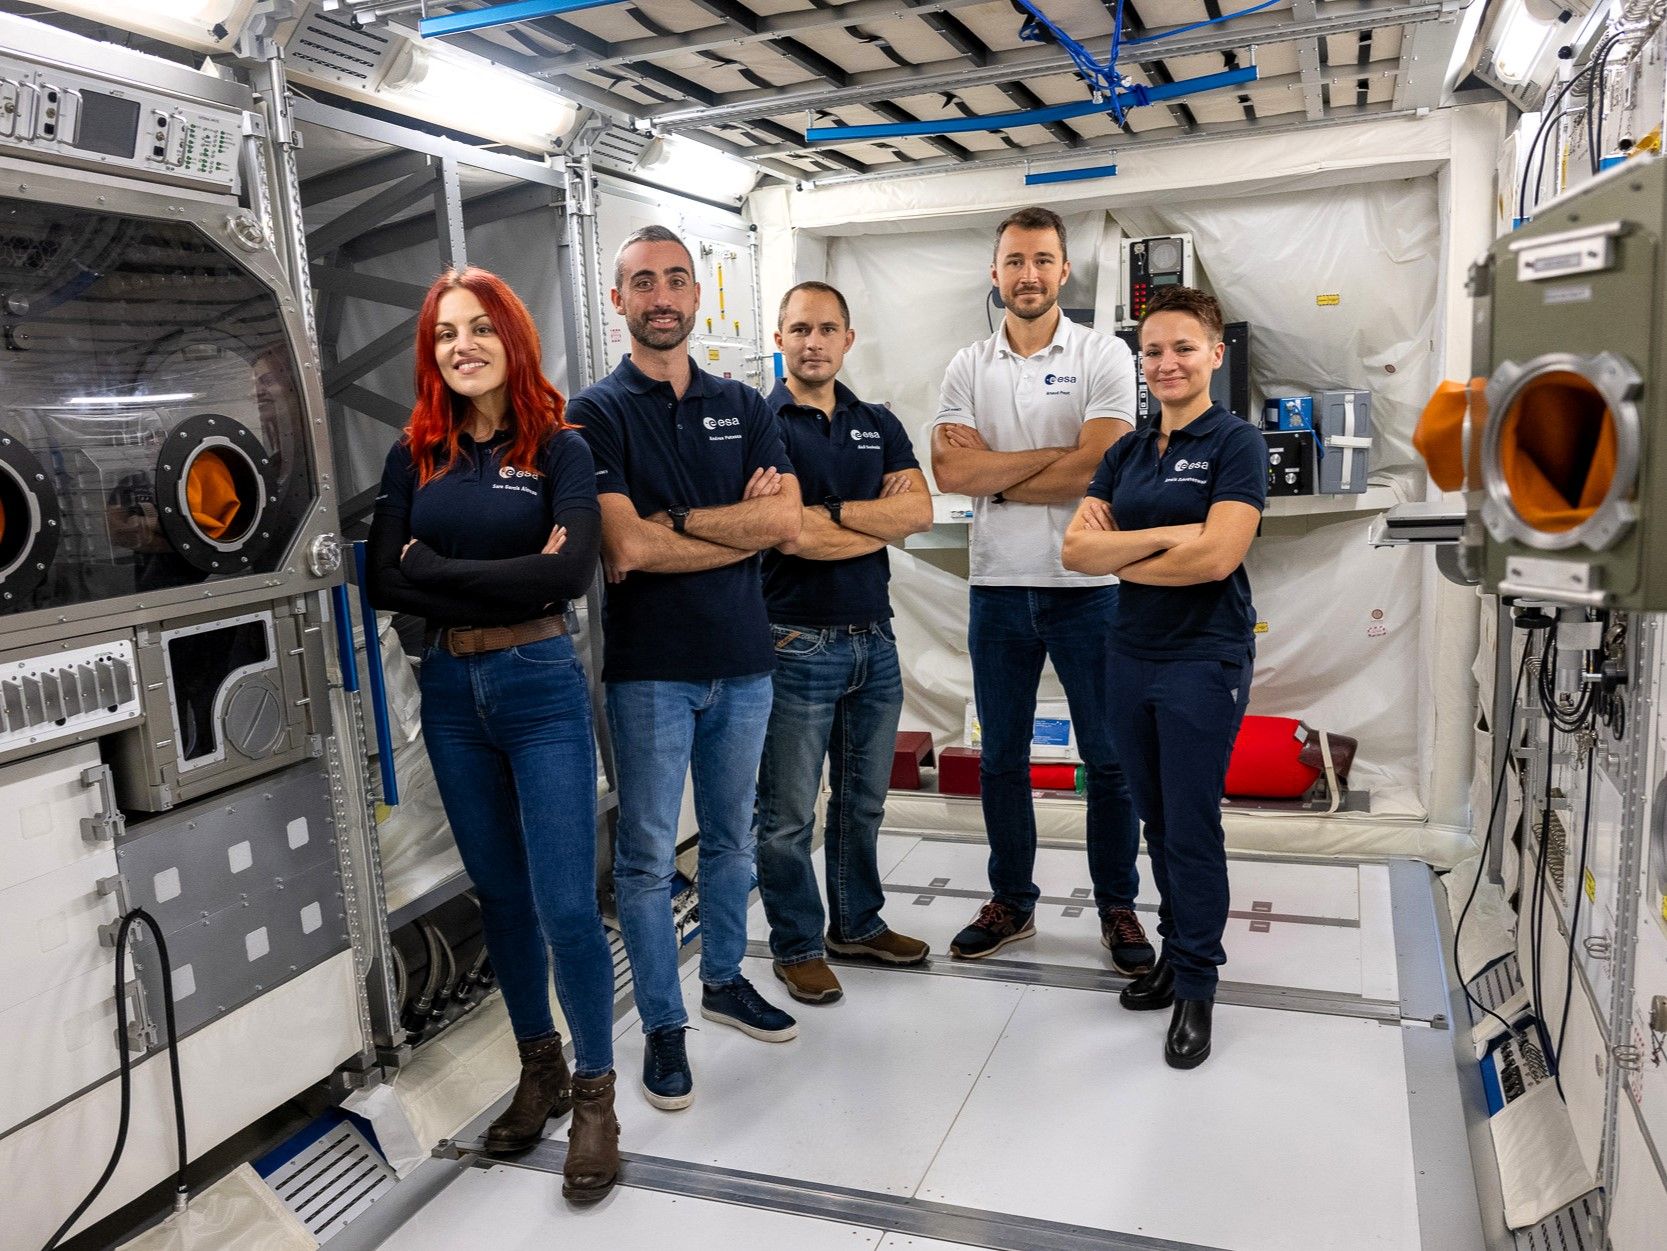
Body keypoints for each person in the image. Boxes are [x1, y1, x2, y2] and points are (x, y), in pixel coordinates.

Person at [366, 267, 618, 1201]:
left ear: (512, 337)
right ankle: (539, 1068)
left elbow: (573, 572)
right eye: (443, 334)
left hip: (539, 682)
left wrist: (434, 564)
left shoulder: (562, 449)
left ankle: (596, 1094)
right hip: (449, 690)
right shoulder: (412, 455)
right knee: (500, 899)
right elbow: (384, 585)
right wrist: (520, 566)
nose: (460, 345)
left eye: (478, 328)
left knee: (561, 901)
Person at [572, 225, 802, 1111]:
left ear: (696, 296)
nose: (661, 296)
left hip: (744, 663)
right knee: (642, 856)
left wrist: (679, 524)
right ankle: (664, 1024)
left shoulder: (744, 405)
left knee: (734, 837)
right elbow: (623, 545)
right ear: (619, 299)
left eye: (675, 280)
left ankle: (722, 977)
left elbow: (784, 523)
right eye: (643, 282)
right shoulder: (594, 413)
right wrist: (720, 526)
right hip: (649, 673)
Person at [930, 206, 1153, 972]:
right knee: (1000, 760)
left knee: (1109, 758)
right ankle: (1012, 902)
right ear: (994, 274)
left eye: (1042, 260)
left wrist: (1002, 474)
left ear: (1064, 271)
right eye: (1014, 261)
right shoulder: (967, 365)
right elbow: (952, 473)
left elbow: (1103, 468)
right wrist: (1049, 465)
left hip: (1087, 585)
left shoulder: (1104, 355)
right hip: (996, 588)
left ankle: (1117, 906)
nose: (1028, 275)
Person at [1061, 285, 1267, 1070]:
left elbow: (1219, 556)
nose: (1166, 362)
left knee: (1189, 826)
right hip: (1128, 652)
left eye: (1183, 347)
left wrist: (1133, 542)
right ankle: (1172, 957)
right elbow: (1075, 553)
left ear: (1215, 354)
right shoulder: (1125, 449)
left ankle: (1197, 986)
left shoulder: (1233, 443)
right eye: (1152, 350)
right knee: (1154, 823)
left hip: (1201, 658)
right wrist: (1176, 533)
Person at [756, 281, 934, 1005]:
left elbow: (918, 509)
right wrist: (866, 517)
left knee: (862, 803)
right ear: (778, 337)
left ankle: (857, 922)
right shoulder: (759, 422)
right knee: (788, 814)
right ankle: (796, 942)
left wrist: (827, 513)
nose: (813, 342)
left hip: (874, 640)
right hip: (793, 641)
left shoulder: (876, 420)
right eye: (799, 328)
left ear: (848, 339)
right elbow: (788, 534)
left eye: (827, 328)